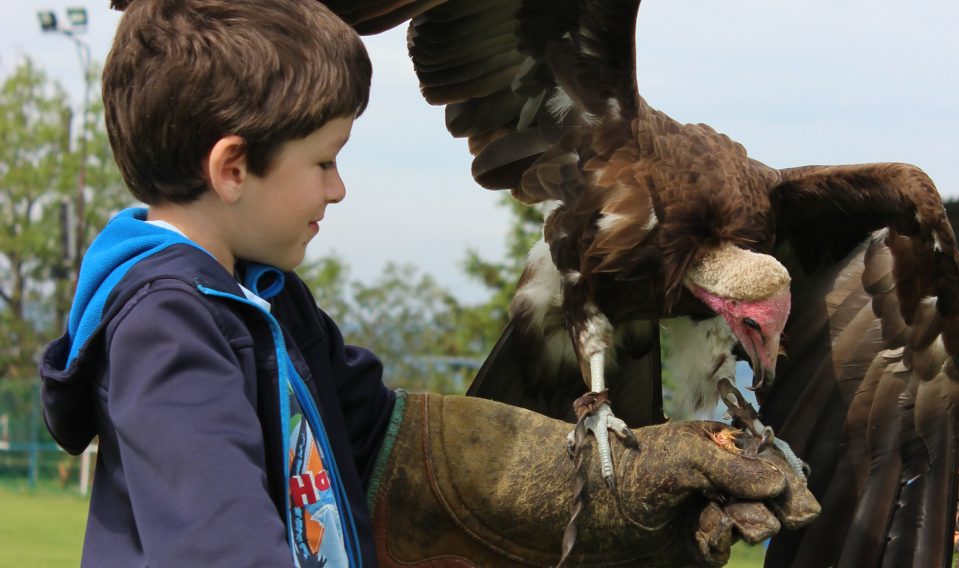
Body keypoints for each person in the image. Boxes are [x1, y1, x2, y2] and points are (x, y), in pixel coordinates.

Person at [36, 1, 807, 566]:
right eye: (325, 162)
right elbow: (216, 548)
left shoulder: (265, 300)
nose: (339, 191)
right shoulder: (166, 324)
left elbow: (390, 444)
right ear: (233, 169)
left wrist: (618, 486)